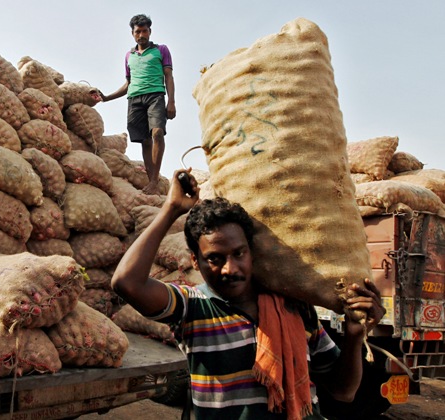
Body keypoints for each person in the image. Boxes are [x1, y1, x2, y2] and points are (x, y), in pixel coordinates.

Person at [111, 169, 387, 419]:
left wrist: (353, 335)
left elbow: (343, 391)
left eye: (239, 253)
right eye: (215, 259)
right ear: (196, 262)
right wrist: (171, 209)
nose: (231, 268)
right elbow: (126, 282)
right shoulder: (193, 307)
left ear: (251, 252)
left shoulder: (295, 308)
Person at [101, 14, 176, 195]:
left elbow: (168, 76)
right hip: (135, 99)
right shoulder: (129, 56)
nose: (141, 34)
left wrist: (171, 102)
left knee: (157, 133)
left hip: (155, 96)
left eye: (144, 31)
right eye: (137, 31)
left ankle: (154, 180)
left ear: (150, 31)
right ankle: (152, 183)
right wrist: (106, 98)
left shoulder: (161, 50)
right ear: (133, 34)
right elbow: (128, 84)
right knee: (144, 141)